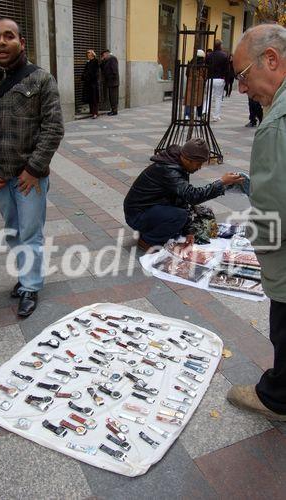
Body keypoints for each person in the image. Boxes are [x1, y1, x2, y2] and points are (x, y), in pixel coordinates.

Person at [0, 18, 64, 317]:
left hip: (28, 177)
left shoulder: (41, 80)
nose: (1, 42)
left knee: (30, 232)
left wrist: (33, 169)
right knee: (13, 231)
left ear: (21, 42)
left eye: (9, 36)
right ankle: (24, 277)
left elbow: (54, 128)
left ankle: (30, 286)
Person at [227, 24, 286, 421]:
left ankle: (277, 397)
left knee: (284, 325)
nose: (243, 90)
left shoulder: (277, 122)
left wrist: (260, 247)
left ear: (271, 60)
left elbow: (274, 204)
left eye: (242, 76)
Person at [123, 138, 243, 251]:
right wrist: (221, 183)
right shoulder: (169, 170)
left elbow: (183, 200)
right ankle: (148, 241)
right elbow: (192, 196)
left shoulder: (177, 165)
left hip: (149, 209)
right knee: (179, 215)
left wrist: (189, 232)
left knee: (193, 212)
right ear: (187, 159)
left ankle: (151, 229)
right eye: (198, 163)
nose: (199, 167)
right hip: (136, 215)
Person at [205, 39, 229, 121]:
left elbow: (206, 67)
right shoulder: (224, 56)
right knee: (218, 98)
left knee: (208, 96)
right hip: (219, 78)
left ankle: (205, 111)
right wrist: (225, 79)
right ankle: (216, 116)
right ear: (220, 45)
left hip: (210, 78)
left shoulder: (209, 55)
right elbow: (226, 69)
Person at [184, 49, 207, 120]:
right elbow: (205, 75)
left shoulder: (191, 64)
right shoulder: (203, 65)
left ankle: (187, 115)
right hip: (200, 83)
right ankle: (199, 115)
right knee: (199, 100)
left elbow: (187, 74)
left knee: (189, 99)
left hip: (191, 82)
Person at [100, 49, 119, 116]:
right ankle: (113, 110)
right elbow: (102, 68)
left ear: (107, 53)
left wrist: (111, 78)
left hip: (113, 82)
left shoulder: (113, 59)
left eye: (103, 55)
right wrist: (102, 61)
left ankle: (114, 111)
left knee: (113, 97)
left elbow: (114, 70)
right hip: (110, 82)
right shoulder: (106, 60)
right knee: (111, 96)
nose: (103, 56)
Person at [82, 49, 99, 119]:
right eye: (87, 55)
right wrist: (84, 77)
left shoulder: (95, 61)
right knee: (90, 98)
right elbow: (85, 71)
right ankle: (92, 111)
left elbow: (94, 72)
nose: (88, 56)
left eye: (89, 55)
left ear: (92, 55)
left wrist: (88, 76)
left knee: (94, 98)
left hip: (93, 83)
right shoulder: (88, 62)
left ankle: (95, 113)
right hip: (88, 83)